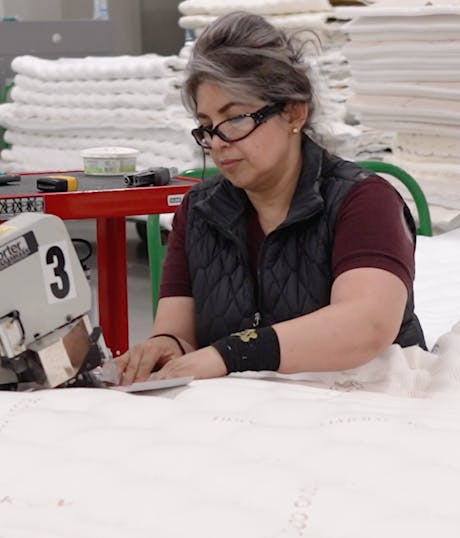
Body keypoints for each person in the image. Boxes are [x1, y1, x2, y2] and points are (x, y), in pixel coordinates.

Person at [116, 10, 426, 385]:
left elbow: (367, 324)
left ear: (294, 112)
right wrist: (164, 347)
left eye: (235, 120)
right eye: (207, 126)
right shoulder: (199, 212)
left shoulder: (363, 201)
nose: (217, 142)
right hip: (246, 421)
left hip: (368, 409)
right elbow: (179, 334)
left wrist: (229, 354)